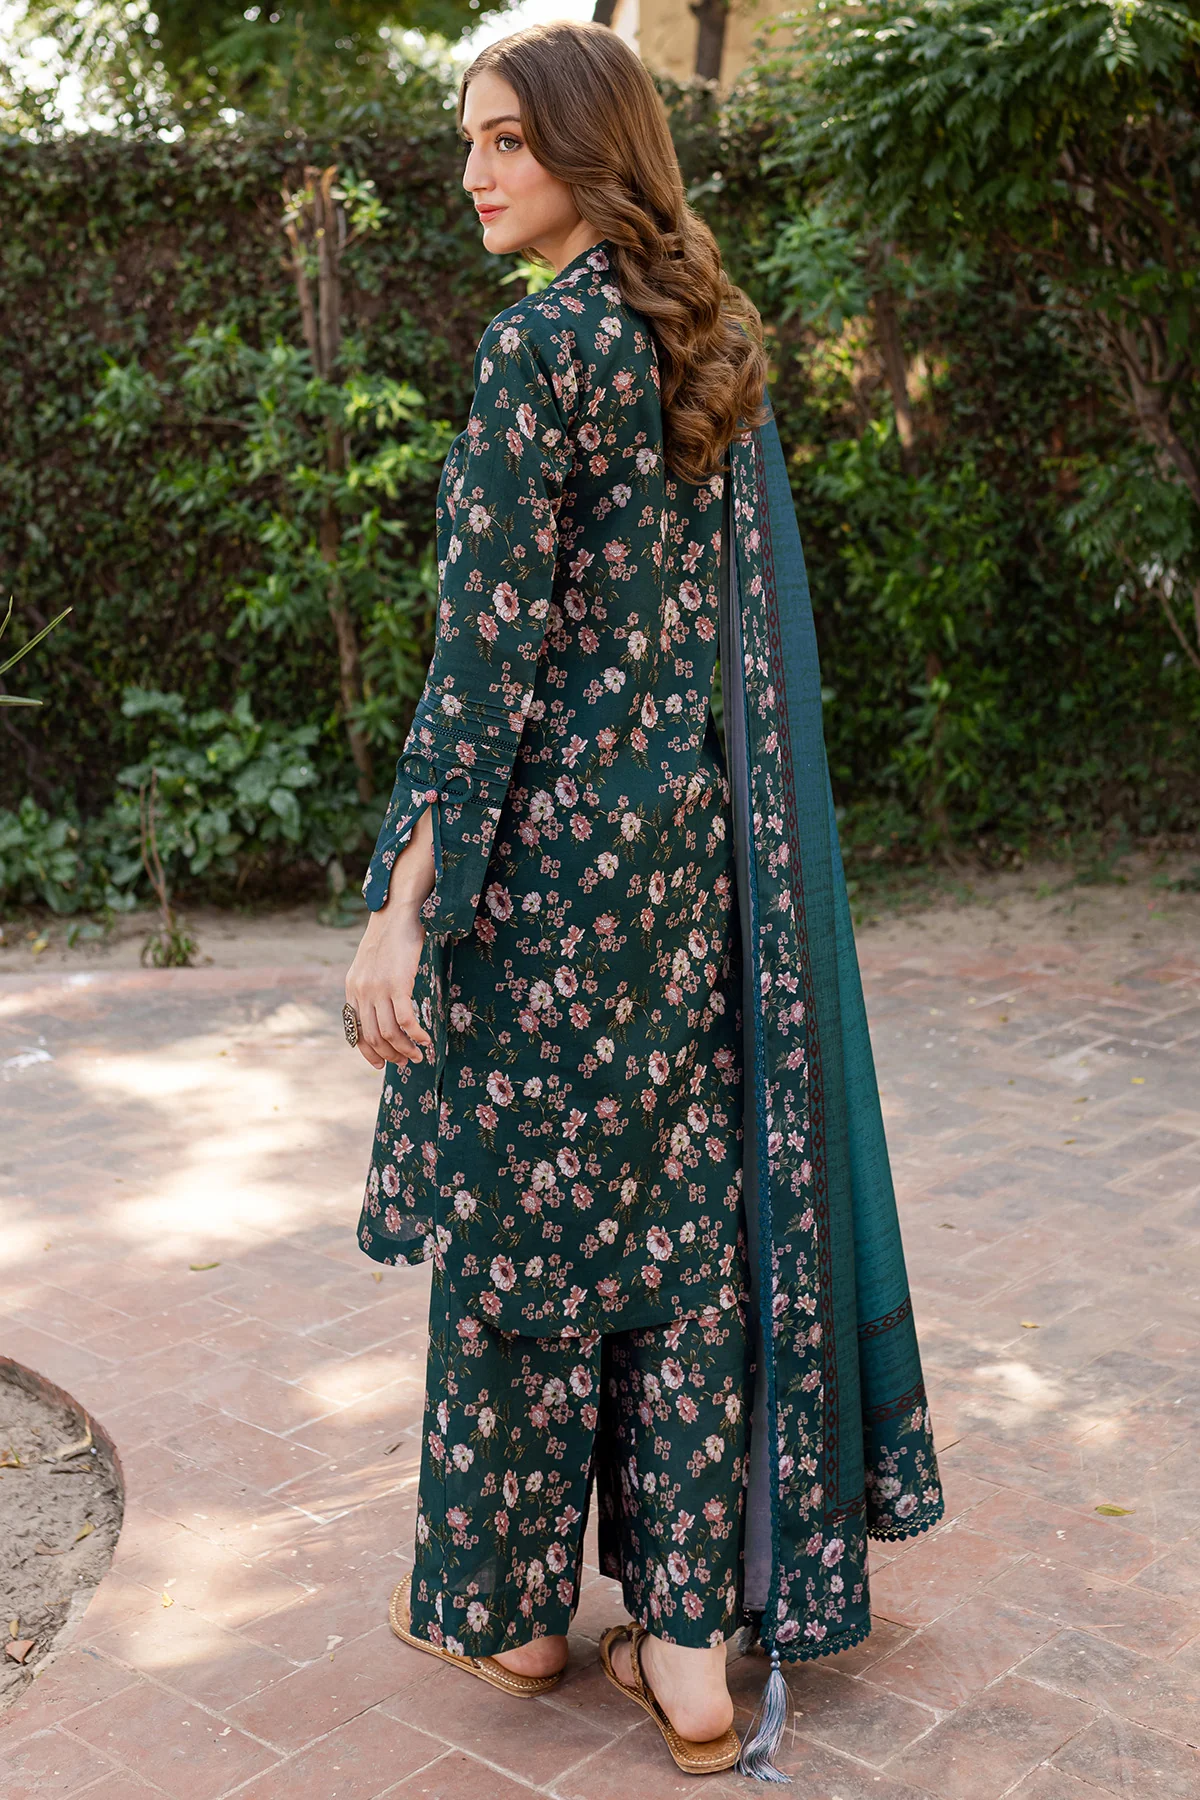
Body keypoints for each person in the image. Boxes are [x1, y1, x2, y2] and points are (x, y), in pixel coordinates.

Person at [343, 19, 944, 1780]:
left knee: (526, 1234)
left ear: (591, 153)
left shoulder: (537, 347)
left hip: (541, 880)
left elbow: (485, 664)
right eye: (470, 139)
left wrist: (400, 905)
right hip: (687, 872)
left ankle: (523, 1617)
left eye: (507, 141)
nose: (474, 173)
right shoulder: (700, 345)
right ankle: (689, 1660)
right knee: (677, 1236)